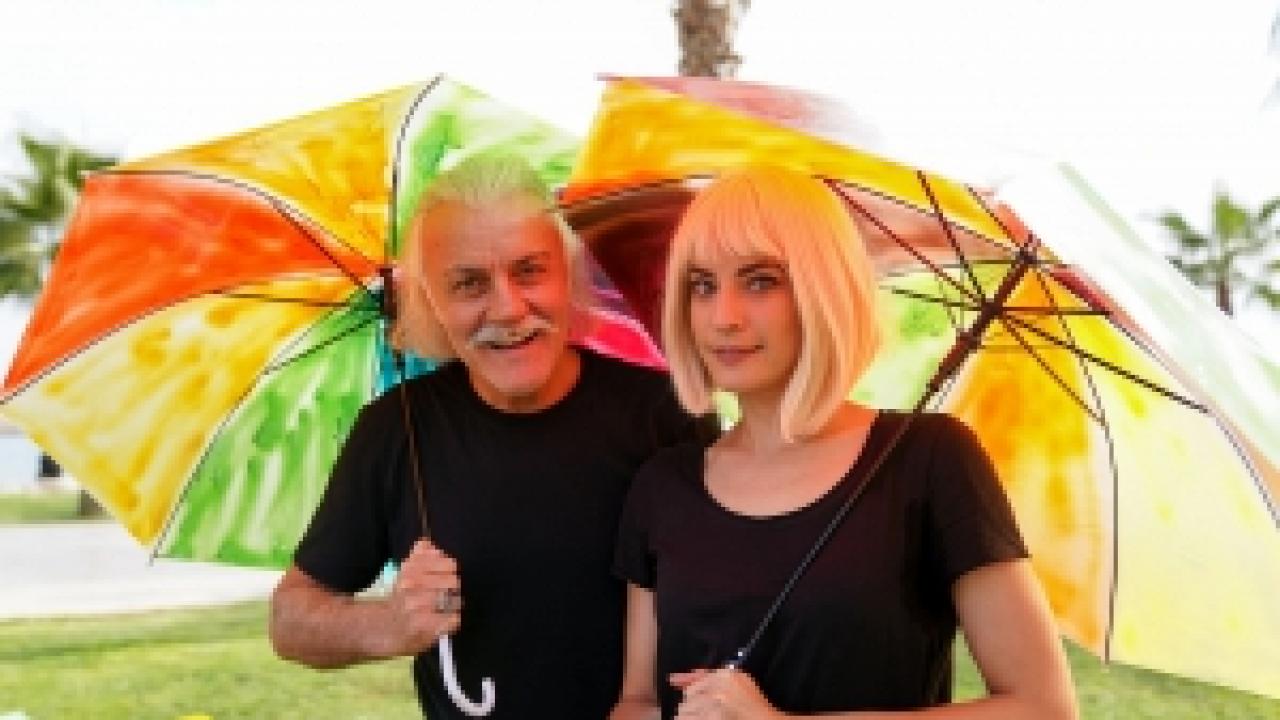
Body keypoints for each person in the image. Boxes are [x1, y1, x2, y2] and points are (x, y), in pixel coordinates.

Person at [610, 166, 1077, 719]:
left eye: (760, 281)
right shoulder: (663, 486)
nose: (723, 318)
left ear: (823, 290)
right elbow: (639, 701)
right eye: (702, 286)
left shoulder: (929, 460)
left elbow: (1044, 707)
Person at [269, 154, 716, 719]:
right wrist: (387, 624)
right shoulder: (396, 429)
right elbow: (290, 618)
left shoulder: (666, 413)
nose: (507, 308)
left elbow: (736, 594)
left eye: (530, 271)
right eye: (468, 284)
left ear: (567, 275)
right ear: (432, 301)